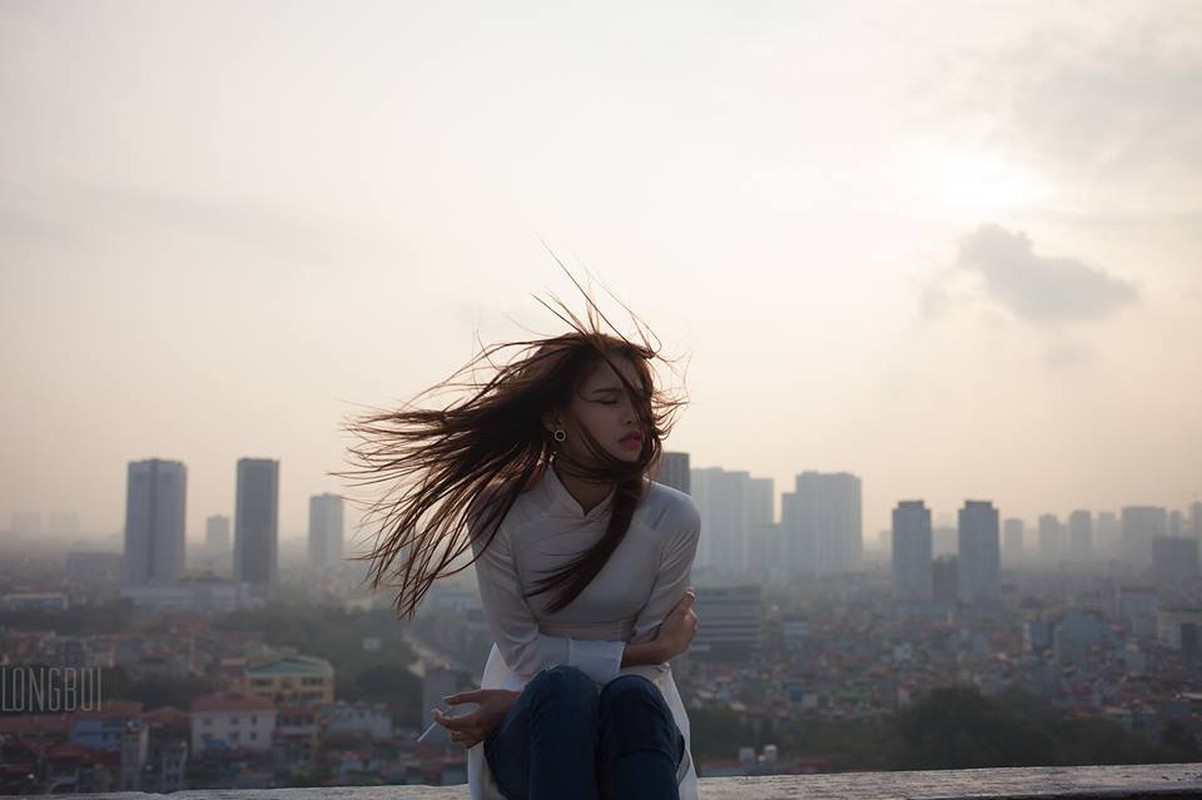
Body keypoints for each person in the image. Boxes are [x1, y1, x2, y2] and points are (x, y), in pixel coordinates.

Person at [342, 285, 701, 799]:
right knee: (563, 692)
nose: (633, 415)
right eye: (609, 399)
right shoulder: (500, 510)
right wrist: (649, 647)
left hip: (633, 727)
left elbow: (644, 667)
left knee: (631, 699)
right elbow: (525, 655)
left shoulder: (672, 516)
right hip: (536, 729)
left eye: (639, 399)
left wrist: (648, 653)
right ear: (555, 418)